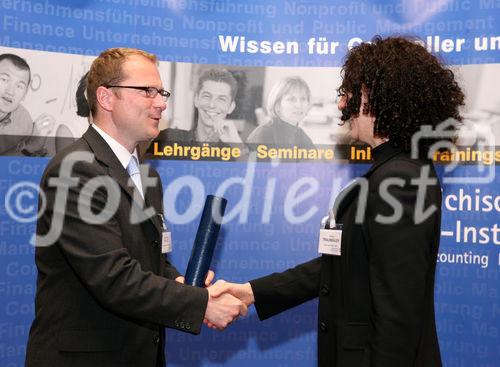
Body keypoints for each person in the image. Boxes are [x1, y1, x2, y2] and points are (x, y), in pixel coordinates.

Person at [210, 36, 465, 366]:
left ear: (380, 97)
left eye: (351, 92)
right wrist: (251, 291)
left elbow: (398, 316)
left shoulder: (401, 179)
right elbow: (342, 266)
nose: (342, 104)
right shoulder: (394, 171)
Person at [25, 48, 247, 367]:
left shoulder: (147, 176)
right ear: (106, 97)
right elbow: (112, 277)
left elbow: (147, 258)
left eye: (161, 92)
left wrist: (178, 283)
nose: (161, 102)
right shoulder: (76, 169)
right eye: (147, 91)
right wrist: (200, 304)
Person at [156, 68, 243, 144]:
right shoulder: (170, 138)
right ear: (196, 99)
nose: (212, 104)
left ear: (231, 107)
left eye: (221, 99)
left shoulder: (238, 150)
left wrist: (237, 146)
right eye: (207, 96)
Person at [0, 53, 54, 155]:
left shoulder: (23, 119)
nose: (10, 92)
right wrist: (32, 145)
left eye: (19, 86)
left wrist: (38, 146)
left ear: (25, 94)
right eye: (4, 80)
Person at [246, 76, 315, 149]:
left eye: (303, 99)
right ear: (277, 105)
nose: (299, 105)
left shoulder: (300, 135)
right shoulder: (264, 133)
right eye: (291, 99)